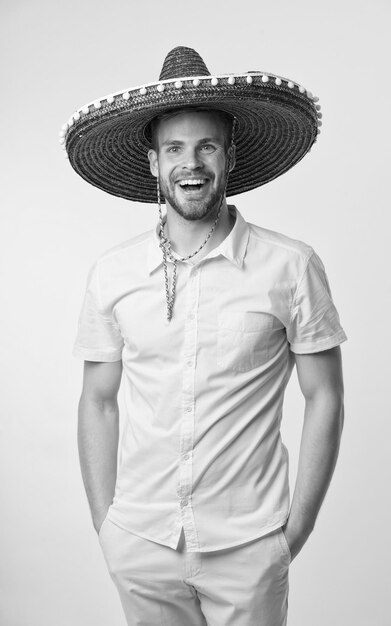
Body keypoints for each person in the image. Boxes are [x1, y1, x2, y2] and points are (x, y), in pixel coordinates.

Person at [65, 46, 347, 626]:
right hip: (142, 542)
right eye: (174, 148)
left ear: (230, 156)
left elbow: (326, 396)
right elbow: (98, 399)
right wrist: (107, 526)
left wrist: (292, 535)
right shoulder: (113, 274)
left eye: (206, 146)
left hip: (249, 545)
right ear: (152, 163)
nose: (190, 164)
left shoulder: (290, 266)